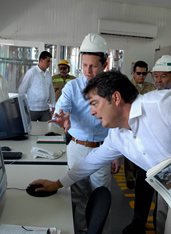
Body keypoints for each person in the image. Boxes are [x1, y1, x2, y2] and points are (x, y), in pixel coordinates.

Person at [32, 70, 171, 234]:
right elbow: (91, 161)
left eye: (94, 103)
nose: (91, 112)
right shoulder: (118, 136)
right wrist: (58, 184)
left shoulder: (162, 105)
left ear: (116, 98)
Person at [47, 33, 120, 234]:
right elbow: (60, 108)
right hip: (77, 147)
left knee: (101, 197)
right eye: (85, 64)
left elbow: (117, 123)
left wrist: (117, 155)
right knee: (77, 197)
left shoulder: (113, 89)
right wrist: (60, 118)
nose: (88, 70)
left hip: (102, 150)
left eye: (93, 66)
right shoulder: (72, 86)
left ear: (104, 64)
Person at [123, 55, 171, 234]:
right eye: (156, 76)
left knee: (164, 201)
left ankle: (158, 228)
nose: (159, 80)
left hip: (170, 160)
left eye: (164, 76)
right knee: (142, 194)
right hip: (147, 157)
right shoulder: (149, 97)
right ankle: (138, 225)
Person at [124, 61, 156, 190]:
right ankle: (130, 178)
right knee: (130, 152)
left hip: (146, 123)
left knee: (144, 150)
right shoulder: (127, 86)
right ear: (133, 73)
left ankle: (141, 176)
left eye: (144, 73)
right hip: (130, 122)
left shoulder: (151, 87)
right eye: (138, 73)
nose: (141, 76)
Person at [19, 51, 55, 122]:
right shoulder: (32, 72)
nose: (49, 64)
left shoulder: (48, 74)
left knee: (47, 129)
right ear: (41, 60)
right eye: (48, 61)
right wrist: (23, 107)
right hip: (32, 109)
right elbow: (21, 90)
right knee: (31, 130)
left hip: (45, 109)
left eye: (50, 61)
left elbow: (51, 91)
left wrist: (53, 105)